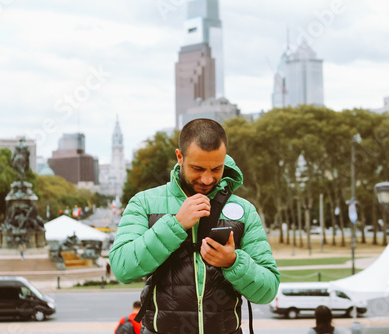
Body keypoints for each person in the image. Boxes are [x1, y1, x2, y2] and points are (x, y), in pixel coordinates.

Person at [109, 119, 280, 334]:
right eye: (197, 168)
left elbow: (268, 290)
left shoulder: (244, 210)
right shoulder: (144, 203)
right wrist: (175, 225)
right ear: (180, 157)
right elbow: (122, 268)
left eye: (216, 169)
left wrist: (233, 262)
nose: (207, 179)